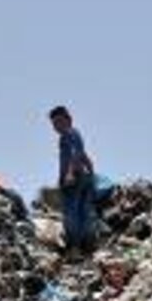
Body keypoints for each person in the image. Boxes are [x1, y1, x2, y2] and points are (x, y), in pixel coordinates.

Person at [49, 106, 98, 252]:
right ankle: (87, 246)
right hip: (83, 178)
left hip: (74, 179)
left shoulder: (68, 134)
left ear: (68, 119)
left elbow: (75, 154)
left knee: (71, 214)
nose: (55, 126)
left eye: (58, 122)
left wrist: (69, 174)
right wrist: (91, 173)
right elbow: (84, 156)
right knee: (84, 212)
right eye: (53, 124)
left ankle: (75, 247)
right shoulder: (76, 134)